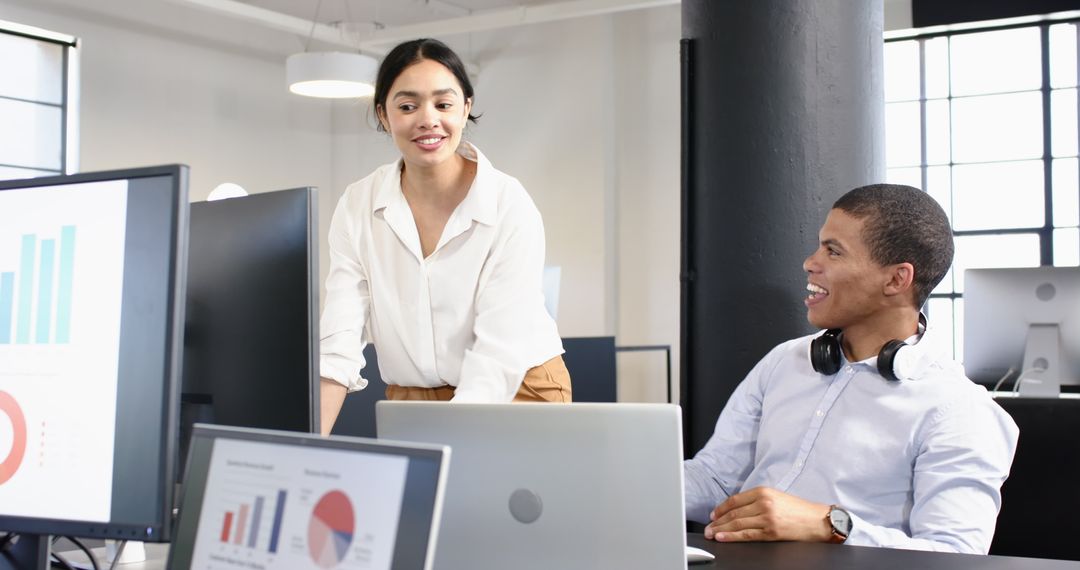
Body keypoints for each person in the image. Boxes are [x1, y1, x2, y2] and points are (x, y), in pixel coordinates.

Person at [683, 184, 1019, 554]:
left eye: (834, 251)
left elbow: (957, 554)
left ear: (896, 279)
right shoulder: (785, 360)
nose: (811, 262)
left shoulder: (959, 409)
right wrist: (620, 484)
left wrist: (829, 524)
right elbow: (715, 479)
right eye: (819, 245)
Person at [318, 38, 571, 436]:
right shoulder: (357, 204)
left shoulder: (508, 203)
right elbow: (338, 342)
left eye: (444, 104)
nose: (427, 119)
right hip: (412, 398)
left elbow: (497, 355)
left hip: (517, 388)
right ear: (383, 115)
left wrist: (453, 443)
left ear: (466, 107)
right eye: (407, 106)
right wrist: (302, 449)